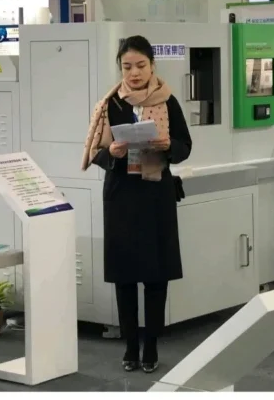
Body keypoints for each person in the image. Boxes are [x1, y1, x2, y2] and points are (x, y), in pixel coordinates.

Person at [81, 35, 192, 374]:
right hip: (122, 195)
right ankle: (130, 347)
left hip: (156, 195)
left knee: (156, 276)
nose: (134, 72)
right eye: (127, 66)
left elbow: (185, 146)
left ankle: (151, 347)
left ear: (152, 65)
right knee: (125, 276)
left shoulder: (168, 101)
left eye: (141, 65)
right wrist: (111, 152)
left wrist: (167, 144)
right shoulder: (110, 104)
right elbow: (94, 152)